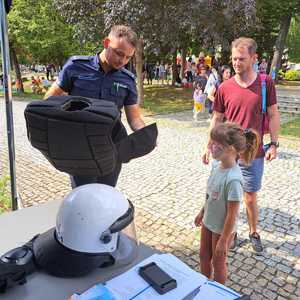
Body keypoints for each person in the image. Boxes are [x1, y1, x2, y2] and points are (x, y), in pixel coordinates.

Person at [202, 37, 280, 253]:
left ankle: (254, 232)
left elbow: (273, 114)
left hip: (252, 152)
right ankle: (231, 232)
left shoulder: (265, 84)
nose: (236, 63)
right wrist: (208, 145)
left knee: (250, 196)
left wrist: (273, 144)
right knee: (226, 195)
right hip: (226, 151)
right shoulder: (224, 87)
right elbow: (217, 117)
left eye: (242, 59)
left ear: (254, 58)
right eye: (234, 58)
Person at [45, 25, 145, 188]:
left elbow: (134, 118)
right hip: (80, 149)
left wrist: (144, 133)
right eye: (119, 53)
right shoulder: (75, 66)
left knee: (105, 195)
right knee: (84, 196)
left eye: (128, 57)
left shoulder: (127, 80)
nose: (122, 61)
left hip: (110, 149)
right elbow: (49, 100)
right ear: (106, 43)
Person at [195, 122, 260, 284]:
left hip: (222, 230)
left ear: (231, 149)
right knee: (203, 256)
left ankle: (218, 293)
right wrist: (202, 212)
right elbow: (210, 194)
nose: (212, 146)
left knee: (218, 263)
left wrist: (224, 241)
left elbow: (232, 214)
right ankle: (205, 286)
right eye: (212, 141)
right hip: (209, 222)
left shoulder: (233, 179)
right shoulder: (217, 167)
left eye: (217, 144)